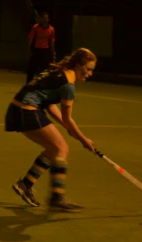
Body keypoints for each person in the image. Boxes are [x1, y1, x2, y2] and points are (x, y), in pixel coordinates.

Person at [6, 48, 97, 212]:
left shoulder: (57, 70)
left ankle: (25, 185)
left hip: (17, 109)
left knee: (54, 148)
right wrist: (84, 140)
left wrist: (66, 127)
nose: (90, 73)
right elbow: (68, 118)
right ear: (77, 65)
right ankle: (57, 197)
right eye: (88, 69)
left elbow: (49, 104)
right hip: (27, 111)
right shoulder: (68, 86)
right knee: (62, 148)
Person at [26, 12, 55, 83]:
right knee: (31, 69)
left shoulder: (51, 29)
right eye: (43, 18)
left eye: (46, 18)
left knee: (44, 70)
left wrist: (53, 53)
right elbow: (31, 38)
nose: (45, 20)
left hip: (45, 51)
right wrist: (29, 49)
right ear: (41, 19)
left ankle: (42, 84)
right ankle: (28, 84)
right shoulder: (36, 27)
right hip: (36, 50)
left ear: (48, 19)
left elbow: (52, 42)